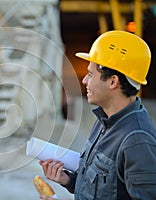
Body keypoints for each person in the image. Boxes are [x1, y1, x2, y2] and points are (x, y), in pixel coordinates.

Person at [39, 30, 156, 199]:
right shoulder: (105, 120)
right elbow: (107, 189)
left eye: (91, 74)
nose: (85, 80)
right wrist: (69, 180)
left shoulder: (137, 140)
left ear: (113, 82)